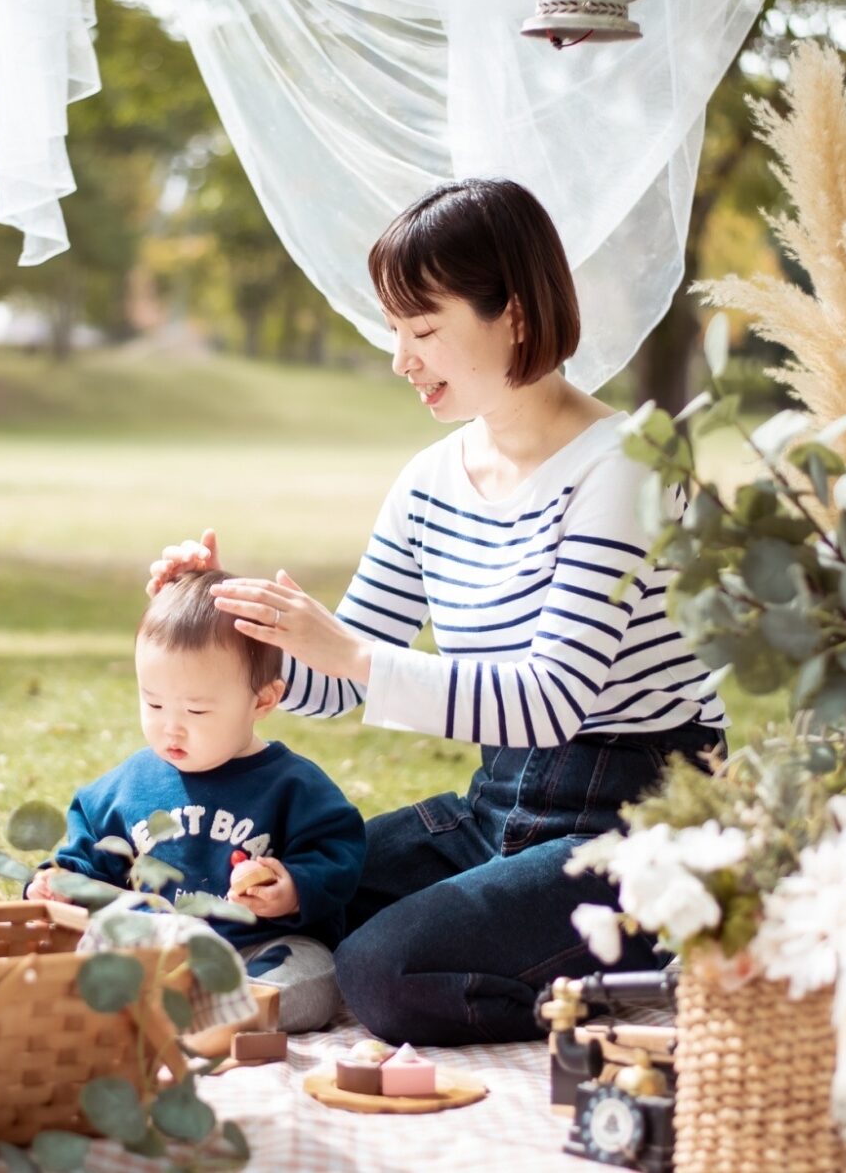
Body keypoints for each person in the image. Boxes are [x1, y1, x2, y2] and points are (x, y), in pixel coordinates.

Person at [149, 177, 725, 1045]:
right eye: (395, 330)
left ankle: (646, 973)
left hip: (634, 818)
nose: (401, 359)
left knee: (385, 970)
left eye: (424, 330)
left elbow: (550, 699)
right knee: (279, 878)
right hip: (499, 802)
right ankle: (523, 952)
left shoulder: (630, 462)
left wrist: (345, 651)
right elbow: (338, 682)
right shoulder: (430, 482)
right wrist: (232, 619)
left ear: (517, 316)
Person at [29, 569, 366, 1034]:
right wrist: (59, 880)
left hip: (258, 951)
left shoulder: (293, 786)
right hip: (160, 946)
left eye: (197, 710)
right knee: (105, 938)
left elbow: (339, 854)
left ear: (263, 701)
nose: (172, 727)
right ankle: (175, 1003)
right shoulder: (129, 784)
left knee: (312, 978)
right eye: (153, 704)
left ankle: (209, 1010)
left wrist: (292, 887)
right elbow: (89, 857)